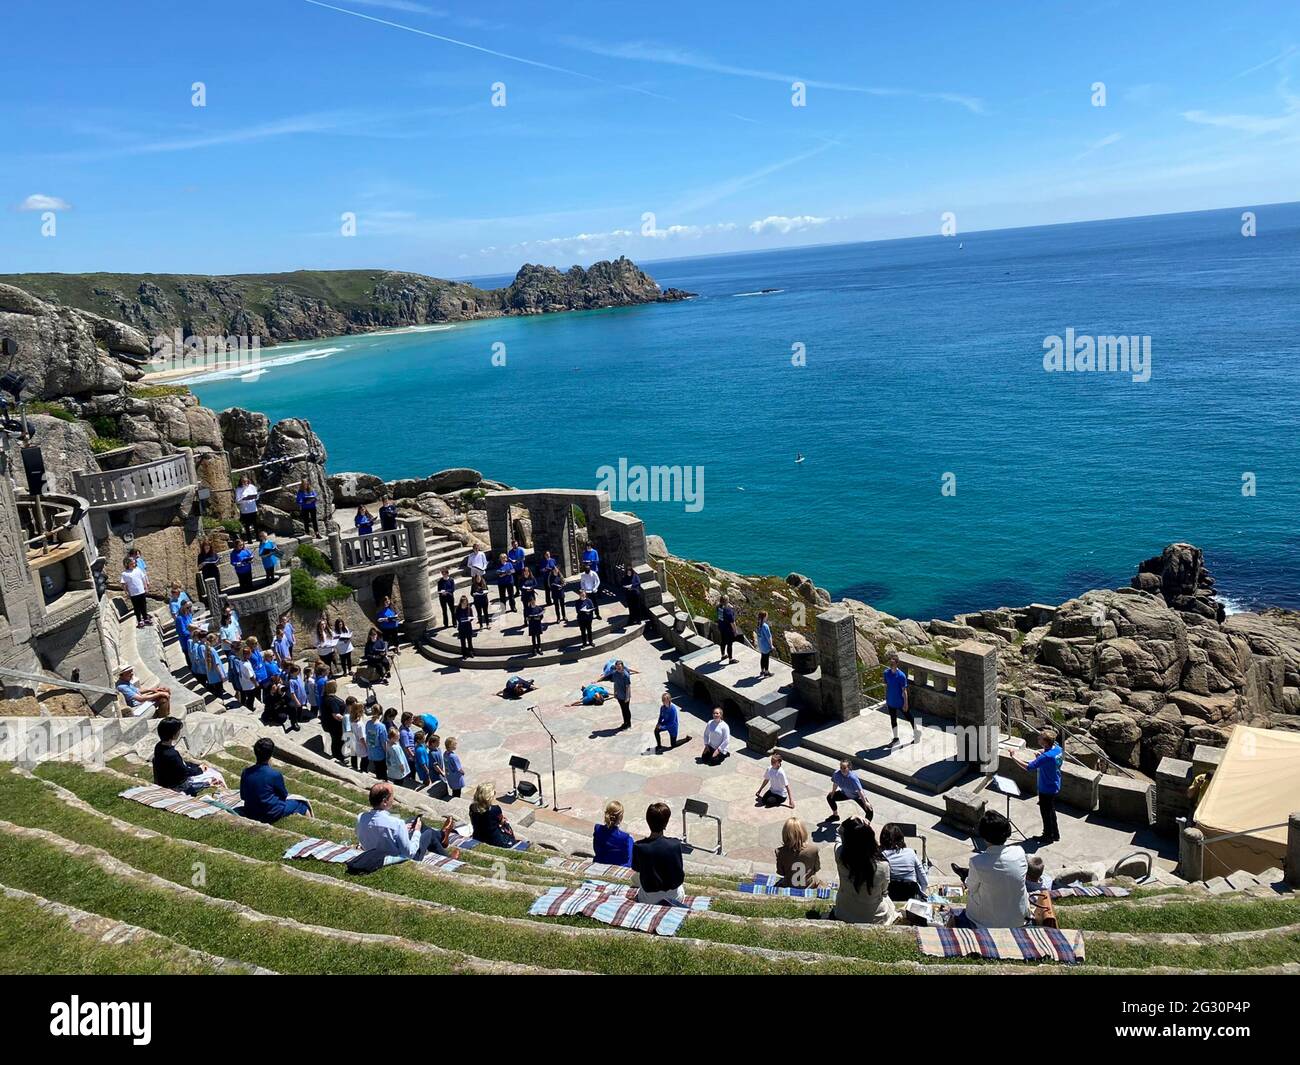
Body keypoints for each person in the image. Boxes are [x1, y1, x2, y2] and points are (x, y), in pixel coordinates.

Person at [955, 811, 1030, 930]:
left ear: (983, 835)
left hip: (987, 922)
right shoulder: (1019, 852)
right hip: (1019, 918)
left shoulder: (977, 862)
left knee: (971, 888)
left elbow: (971, 888)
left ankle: (964, 874)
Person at [356, 782, 451, 860]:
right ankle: (446, 851)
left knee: (412, 820)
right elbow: (410, 853)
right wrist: (417, 831)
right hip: (401, 858)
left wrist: (403, 829)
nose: (393, 799)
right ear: (385, 801)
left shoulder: (361, 817)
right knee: (428, 832)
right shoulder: (396, 823)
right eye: (392, 796)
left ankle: (442, 836)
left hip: (377, 851)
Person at [828, 818, 895, 924]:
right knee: (888, 901)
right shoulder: (883, 866)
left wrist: (851, 819)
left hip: (843, 912)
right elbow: (884, 891)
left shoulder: (840, 855)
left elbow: (839, 831)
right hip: (874, 917)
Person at [239, 738, 312, 823]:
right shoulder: (274, 774)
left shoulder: (246, 772)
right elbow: (284, 795)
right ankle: (311, 823)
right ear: (271, 754)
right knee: (302, 804)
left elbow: (243, 796)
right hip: (270, 814)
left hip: (250, 812)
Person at [152, 716, 225, 795]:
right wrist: (200, 770)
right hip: (176, 786)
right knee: (216, 775)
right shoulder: (172, 754)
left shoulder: (158, 746)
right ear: (173, 735)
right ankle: (209, 785)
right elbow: (185, 772)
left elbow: (178, 767)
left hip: (165, 781)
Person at [631, 802, 685, 905]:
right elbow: (679, 872)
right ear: (666, 822)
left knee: (635, 878)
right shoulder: (675, 844)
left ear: (648, 821)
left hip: (649, 899)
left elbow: (637, 868)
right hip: (674, 897)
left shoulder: (639, 846)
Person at [1017, 727, 1063, 844]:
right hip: (1055, 783)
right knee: (1051, 810)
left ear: (1046, 742)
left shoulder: (1046, 757)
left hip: (1046, 788)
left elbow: (1029, 767)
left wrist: (1013, 757)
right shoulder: (1057, 749)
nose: (1038, 738)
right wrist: (1041, 752)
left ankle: (1047, 835)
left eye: (1041, 738)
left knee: (1046, 813)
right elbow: (1047, 752)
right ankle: (1055, 834)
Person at [879, 822, 928, 902]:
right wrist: (921, 894)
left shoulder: (880, 856)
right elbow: (924, 882)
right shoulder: (910, 853)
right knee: (925, 870)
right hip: (912, 898)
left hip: (890, 898)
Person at [775, 817, 822, 889]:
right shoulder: (814, 850)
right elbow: (817, 868)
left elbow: (780, 872)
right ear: (804, 832)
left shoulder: (779, 851)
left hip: (789, 884)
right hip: (808, 885)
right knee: (819, 881)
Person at [884, 652, 918, 746]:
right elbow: (886, 686)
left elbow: (904, 691)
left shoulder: (901, 676)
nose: (891, 665)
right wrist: (886, 698)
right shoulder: (886, 673)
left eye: (893, 663)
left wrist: (905, 704)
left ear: (897, 663)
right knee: (893, 720)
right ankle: (895, 739)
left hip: (900, 702)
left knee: (909, 718)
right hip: (891, 701)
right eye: (890, 663)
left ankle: (916, 734)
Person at [469, 782, 518, 847]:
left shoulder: (472, 807)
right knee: (506, 822)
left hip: (478, 836)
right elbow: (501, 822)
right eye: (493, 792)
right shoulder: (495, 809)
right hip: (494, 840)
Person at [593, 799, 634, 867]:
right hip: (619, 867)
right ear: (620, 818)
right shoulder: (625, 837)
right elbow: (629, 858)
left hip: (600, 862)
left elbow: (597, 850)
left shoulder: (598, 829)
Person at [121, 555, 152, 628]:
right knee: (136, 607)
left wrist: (146, 587)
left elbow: (143, 578)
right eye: (132, 564)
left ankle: (145, 618)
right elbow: (123, 584)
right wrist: (126, 592)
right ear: (127, 564)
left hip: (141, 591)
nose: (133, 565)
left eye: (134, 563)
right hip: (133, 593)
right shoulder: (125, 574)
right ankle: (139, 620)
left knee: (143, 605)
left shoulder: (138, 569)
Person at [320, 681, 347, 762]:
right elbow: (336, 715)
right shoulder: (331, 701)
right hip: (335, 726)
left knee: (335, 741)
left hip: (329, 725)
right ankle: (339, 758)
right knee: (338, 742)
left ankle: (337, 755)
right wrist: (347, 719)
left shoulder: (325, 697)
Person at [365, 706, 388, 781]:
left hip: (371, 752)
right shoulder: (381, 726)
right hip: (380, 754)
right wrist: (387, 753)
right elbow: (384, 743)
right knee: (383, 773)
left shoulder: (368, 723)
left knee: (377, 771)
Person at [716, 595, 738, 664]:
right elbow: (732, 622)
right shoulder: (728, 610)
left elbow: (722, 606)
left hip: (721, 627)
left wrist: (729, 606)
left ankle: (723, 655)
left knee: (723, 641)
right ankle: (731, 659)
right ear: (727, 601)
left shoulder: (718, 607)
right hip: (728, 629)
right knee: (729, 644)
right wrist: (735, 631)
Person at [611, 660, 632, 730]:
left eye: (619, 667)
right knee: (623, 710)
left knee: (626, 710)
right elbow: (615, 683)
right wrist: (614, 692)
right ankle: (625, 722)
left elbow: (628, 687)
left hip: (625, 696)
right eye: (617, 667)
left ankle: (628, 723)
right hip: (619, 695)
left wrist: (627, 697)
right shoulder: (615, 674)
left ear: (622, 666)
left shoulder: (626, 675)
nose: (618, 668)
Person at [348, 700, 368, 772]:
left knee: (354, 756)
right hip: (361, 745)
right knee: (365, 759)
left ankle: (354, 768)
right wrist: (367, 746)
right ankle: (363, 771)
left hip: (354, 742)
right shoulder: (360, 724)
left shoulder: (351, 719)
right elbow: (362, 738)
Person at [174, 599, 195, 665]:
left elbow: (190, 624)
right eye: (187, 607)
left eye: (190, 607)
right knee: (190, 659)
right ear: (182, 607)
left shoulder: (189, 615)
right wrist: (194, 631)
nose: (189, 609)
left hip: (192, 639)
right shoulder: (179, 618)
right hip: (186, 642)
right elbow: (182, 632)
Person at [755, 610, 774, 677]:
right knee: (766, 659)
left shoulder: (758, 625)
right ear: (764, 617)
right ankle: (766, 672)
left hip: (761, 645)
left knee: (762, 657)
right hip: (766, 646)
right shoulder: (765, 626)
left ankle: (762, 671)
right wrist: (771, 645)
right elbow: (769, 637)